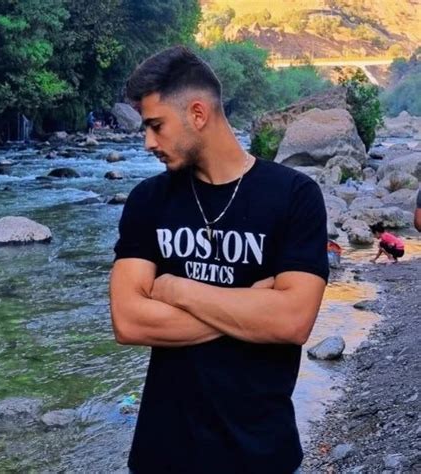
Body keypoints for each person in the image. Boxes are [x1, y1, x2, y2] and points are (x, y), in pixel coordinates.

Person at [110, 46, 329, 474]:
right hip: (162, 456)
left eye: (156, 125)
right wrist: (252, 304)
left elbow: (292, 321)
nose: (148, 142)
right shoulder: (148, 200)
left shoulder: (294, 196)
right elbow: (129, 321)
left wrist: (178, 289)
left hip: (262, 455)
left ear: (197, 113)